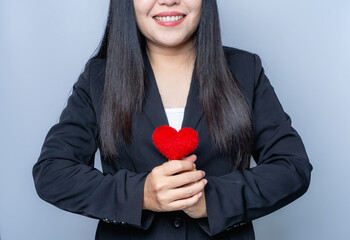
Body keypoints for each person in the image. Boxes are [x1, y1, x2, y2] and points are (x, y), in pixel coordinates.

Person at [32, 0, 313, 239]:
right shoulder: (99, 78)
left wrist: (212, 200)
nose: (168, 0)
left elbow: (292, 167)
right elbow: (52, 172)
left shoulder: (245, 70)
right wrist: (141, 194)